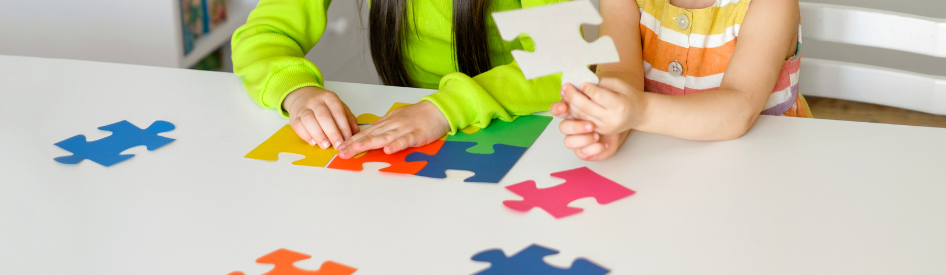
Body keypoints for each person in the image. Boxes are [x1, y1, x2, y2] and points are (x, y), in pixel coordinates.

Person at [232, 0, 564, 159]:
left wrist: (443, 109)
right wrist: (295, 90)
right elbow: (263, 35)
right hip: (411, 130)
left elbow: (566, 62)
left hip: (524, 123)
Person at [551, 0, 811, 161]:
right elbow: (621, 75)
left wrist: (637, 112)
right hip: (660, 163)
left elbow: (739, 107)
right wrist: (610, 120)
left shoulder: (772, 3)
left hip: (767, 163)